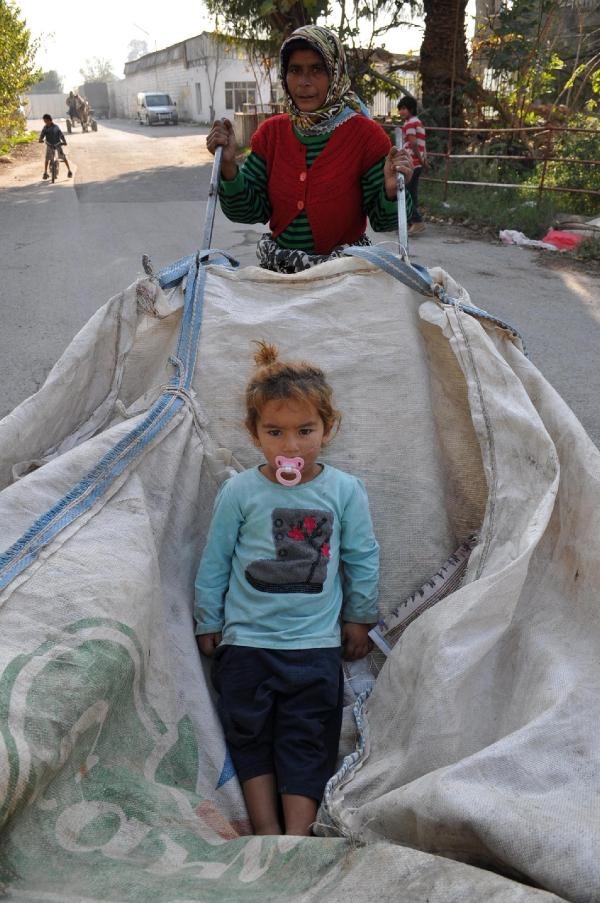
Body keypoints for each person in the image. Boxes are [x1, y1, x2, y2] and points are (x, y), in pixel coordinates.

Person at [194, 341, 379, 836]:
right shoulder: (240, 491)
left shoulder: (344, 491)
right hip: (246, 646)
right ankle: (266, 832)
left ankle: (295, 839)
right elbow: (215, 561)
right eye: (275, 433)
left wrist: (359, 617)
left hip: (314, 649)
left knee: (307, 738)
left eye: (305, 431)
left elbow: (362, 557)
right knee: (249, 733)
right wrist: (208, 619)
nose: (291, 447)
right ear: (254, 435)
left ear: (328, 429)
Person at [206, 25, 414, 273]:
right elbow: (249, 210)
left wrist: (392, 192)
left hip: (344, 274)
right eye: (295, 70)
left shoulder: (365, 136)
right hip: (280, 273)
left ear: (335, 74)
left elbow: (384, 220)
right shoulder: (270, 134)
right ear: (285, 75)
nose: (304, 82)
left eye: (317, 69)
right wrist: (228, 168)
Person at [397, 95, 427, 235]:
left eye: (404, 108)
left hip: (411, 163)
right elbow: (421, 145)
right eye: (400, 109)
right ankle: (411, 223)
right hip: (417, 163)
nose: (401, 112)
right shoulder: (417, 122)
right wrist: (423, 161)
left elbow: (414, 144)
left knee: (406, 193)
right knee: (412, 194)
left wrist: (420, 161)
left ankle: (417, 221)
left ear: (411, 109)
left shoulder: (409, 123)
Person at [39, 114, 72, 180]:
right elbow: (42, 135)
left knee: (63, 157)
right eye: (45, 121)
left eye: (47, 121)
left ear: (50, 120)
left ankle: (69, 170)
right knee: (47, 158)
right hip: (49, 144)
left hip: (57, 144)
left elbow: (61, 135)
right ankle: (45, 172)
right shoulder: (45, 128)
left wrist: (64, 141)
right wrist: (40, 139)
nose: (46, 123)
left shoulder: (56, 127)